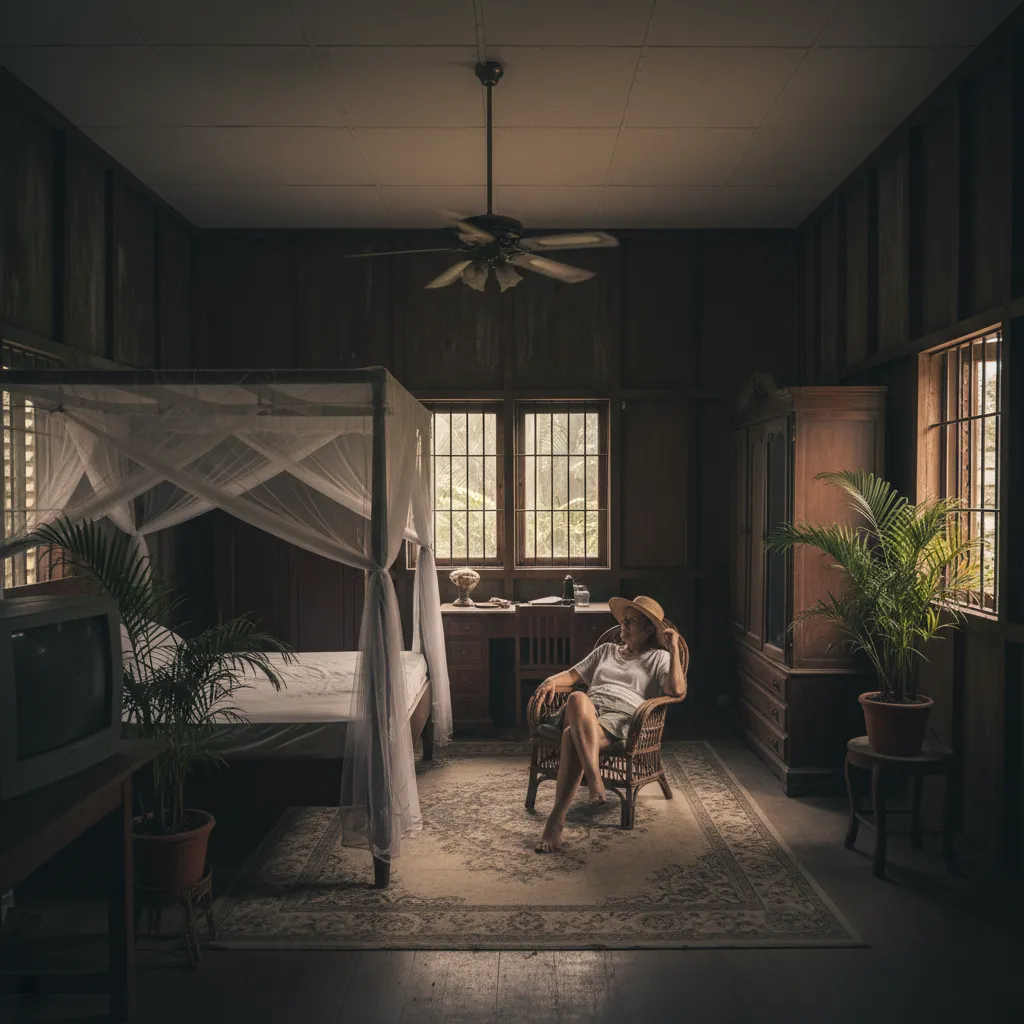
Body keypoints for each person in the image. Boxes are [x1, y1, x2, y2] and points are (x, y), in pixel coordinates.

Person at [532, 595, 686, 853]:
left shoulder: (658, 657)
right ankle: (595, 780)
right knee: (578, 697)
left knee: (572, 735)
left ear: (649, 629)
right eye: (623, 621)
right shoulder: (605, 651)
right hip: (587, 708)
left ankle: (555, 822)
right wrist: (550, 681)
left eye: (631, 622)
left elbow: (677, 690)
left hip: (622, 715)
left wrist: (674, 651)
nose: (623, 626)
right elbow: (571, 677)